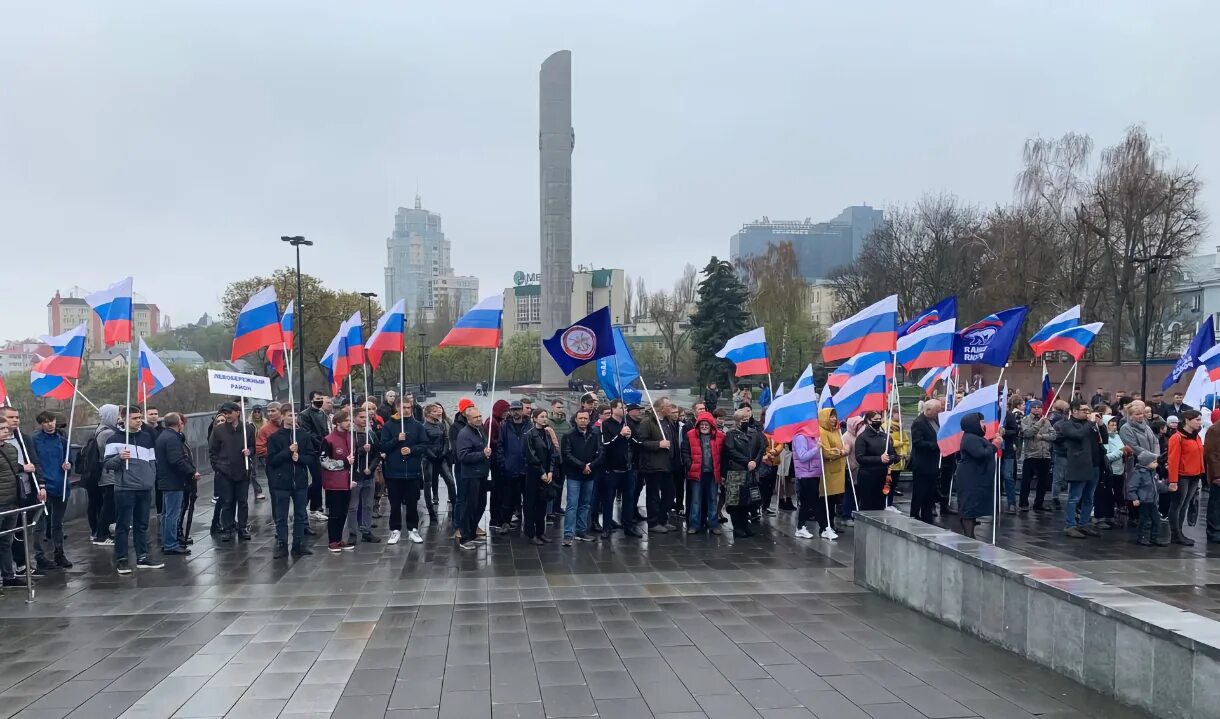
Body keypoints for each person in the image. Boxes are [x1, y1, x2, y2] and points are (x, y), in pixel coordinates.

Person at [103, 407, 164, 574]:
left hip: (144, 487)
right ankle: (121, 559)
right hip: (125, 488)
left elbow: (153, 461)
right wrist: (119, 457)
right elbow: (108, 464)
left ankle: (143, 556)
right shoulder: (114, 439)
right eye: (134, 418)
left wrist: (151, 478)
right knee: (123, 526)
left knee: (142, 525)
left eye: (139, 418)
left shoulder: (146, 437)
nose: (139, 421)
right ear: (124, 419)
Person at [266, 407, 317, 557]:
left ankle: (298, 544)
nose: (293, 417)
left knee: (300, 514)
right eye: (290, 415)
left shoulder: (303, 436)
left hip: (300, 482)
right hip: (282, 483)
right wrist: (288, 451)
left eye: (295, 415)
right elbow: (273, 460)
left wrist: (299, 458)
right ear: (282, 416)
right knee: (281, 515)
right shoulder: (274, 438)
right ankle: (282, 544)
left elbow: (311, 458)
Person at [380, 398, 427, 545]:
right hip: (394, 472)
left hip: (412, 471)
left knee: (412, 502)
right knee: (395, 503)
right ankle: (395, 530)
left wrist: (412, 450)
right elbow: (383, 446)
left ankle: (413, 529)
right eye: (404, 407)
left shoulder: (418, 426)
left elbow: (425, 445)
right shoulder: (388, 426)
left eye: (409, 407)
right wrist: (396, 439)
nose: (407, 410)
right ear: (397, 408)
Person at [1121, 402, 1167, 546]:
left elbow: (1155, 441)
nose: (1141, 416)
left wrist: (1156, 457)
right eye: (1137, 414)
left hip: (1151, 462)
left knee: (1151, 484)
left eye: (1142, 413)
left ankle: (1153, 534)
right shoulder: (1126, 428)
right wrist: (1150, 457)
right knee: (1138, 484)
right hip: (1137, 462)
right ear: (1130, 415)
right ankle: (1136, 517)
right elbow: (1133, 446)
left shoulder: (1146, 426)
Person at [1057, 402, 1105, 539]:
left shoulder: (1090, 425)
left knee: (1089, 497)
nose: (1087, 412)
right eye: (1084, 410)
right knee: (1074, 497)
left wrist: (1101, 426)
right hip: (1079, 466)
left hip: (1094, 465)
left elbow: (1104, 439)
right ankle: (1070, 525)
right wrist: (1090, 423)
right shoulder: (1067, 425)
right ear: (1074, 411)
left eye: (1088, 410)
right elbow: (1078, 435)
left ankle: (1084, 523)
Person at [208, 401, 255, 542]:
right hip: (225, 472)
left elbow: (253, 447)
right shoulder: (218, 430)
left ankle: (242, 527)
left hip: (243, 470)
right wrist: (218, 467)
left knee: (242, 501)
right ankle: (228, 528)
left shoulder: (248, 429)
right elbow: (212, 451)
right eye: (225, 413)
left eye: (229, 413)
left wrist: (250, 452)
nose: (227, 416)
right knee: (227, 502)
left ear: (238, 413)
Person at [32, 411, 72, 568]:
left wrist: (68, 465)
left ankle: (59, 553)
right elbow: (35, 462)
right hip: (44, 486)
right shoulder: (35, 440)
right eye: (46, 422)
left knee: (58, 523)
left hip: (61, 485)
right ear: (41, 424)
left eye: (52, 421)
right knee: (40, 524)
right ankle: (40, 556)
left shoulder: (62, 440)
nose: (50, 424)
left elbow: (69, 460)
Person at [154, 412, 197, 556]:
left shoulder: (163, 436)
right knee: (172, 514)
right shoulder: (172, 438)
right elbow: (176, 460)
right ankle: (170, 544)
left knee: (166, 514)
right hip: (173, 481)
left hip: (166, 480)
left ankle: (167, 541)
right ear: (178, 423)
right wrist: (192, 472)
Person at [599, 400, 643, 539]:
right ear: (613, 409)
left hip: (628, 468)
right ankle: (606, 527)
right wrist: (620, 435)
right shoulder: (606, 425)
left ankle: (628, 526)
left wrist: (631, 437)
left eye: (624, 407)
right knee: (608, 500)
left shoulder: (628, 424)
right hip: (612, 470)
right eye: (621, 407)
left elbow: (638, 443)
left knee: (629, 500)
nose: (624, 409)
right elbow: (606, 445)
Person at [955, 412, 1000, 539]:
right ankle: (968, 535)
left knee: (973, 504)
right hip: (970, 477)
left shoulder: (975, 437)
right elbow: (981, 453)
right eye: (981, 422)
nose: (984, 425)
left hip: (976, 476)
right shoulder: (970, 438)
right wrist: (994, 446)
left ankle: (971, 529)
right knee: (969, 505)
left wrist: (993, 442)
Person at [561, 408, 602, 545]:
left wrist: (591, 466)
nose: (583, 420)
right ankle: (568, 534)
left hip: (590, 474)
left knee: (585, 504)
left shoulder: (595, 434)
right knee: (572, 504)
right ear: (576, 419)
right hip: (574, 475)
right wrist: (582, 466)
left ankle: (581, 530)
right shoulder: (569, 435)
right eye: (580, 418)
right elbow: (567, 454)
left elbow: (601, 452)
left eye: (585, 418)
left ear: (589, 420)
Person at [638, 398, 677, 534]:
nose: (671, 408)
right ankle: (653, 522)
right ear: (661, 408)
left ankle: (663, 519)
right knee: (653, 494)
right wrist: (658, 444)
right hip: (653, 465)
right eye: (668, 406)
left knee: (670, 492)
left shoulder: (667, 422)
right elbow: (641, 442)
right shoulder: (647, 422)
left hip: (667, 464)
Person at [722, 407, 763, 538]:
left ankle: (745, 525)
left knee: (748, 500)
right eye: (743, 419)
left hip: (750, 472)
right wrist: (747, 462)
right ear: (737, 421)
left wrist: (755, 461)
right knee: (735, 501)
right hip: (736, 471)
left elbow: (761, 448)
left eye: (747, 419)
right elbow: (730, 451)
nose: (745, 421)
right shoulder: (731, 434)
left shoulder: (754, 432)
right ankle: (737, 527)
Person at [1166, 409, 1205, 546]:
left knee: (1185, 505)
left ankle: (1180, 532)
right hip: (1182, 476)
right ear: (1188, 420)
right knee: (1177, 505)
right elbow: (1173, 460)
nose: (1200, 422)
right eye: (1197, 420)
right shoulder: (1177, 438)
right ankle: (1174, 533)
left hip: (1195, 475)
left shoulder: (1196, 436)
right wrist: (1173, 481)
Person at [320, 409, 357, 552]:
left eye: (349, 420)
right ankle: (332, 541)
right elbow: (324, 461)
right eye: (346, 420)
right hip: (334, 483)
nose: (349, 423)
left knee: (343, 512)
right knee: (335, 513)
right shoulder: (328, 440)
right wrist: (344, 463)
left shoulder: (350, 437)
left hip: (347, 482)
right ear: (338, 422)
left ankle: (339, 538)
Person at [681, 411, 723, 535]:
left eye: (707, 424)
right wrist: (690, 465)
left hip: (712, 473)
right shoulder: (689, 435)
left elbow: (723, 454)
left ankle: (713, 525)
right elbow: (685, 452)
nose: (704, 427)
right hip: (696, 473)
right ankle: (694, 525)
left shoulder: (720, 436)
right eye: (702, 424)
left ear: (711, 425)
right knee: (695, 500)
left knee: (712, 500)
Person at [455, 406, 490, 551]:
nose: (480, 419)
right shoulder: (464, 434)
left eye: (480, 416)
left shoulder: (480, 430)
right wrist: (482, 454)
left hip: (481, 474)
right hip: (470, 476)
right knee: (469, 506)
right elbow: (462, 456)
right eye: (476, 417)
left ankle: (472, 532)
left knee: (480, 505)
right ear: (468, 419)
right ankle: (464, 537)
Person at [345, 407, 381, 544]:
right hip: (355, 476)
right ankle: (353, 532)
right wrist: (361, 450)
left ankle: (366, 530)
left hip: (368, 475)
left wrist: (371, 468)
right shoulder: (350, 436)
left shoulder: (371, 435)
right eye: (361, 417)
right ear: (354, 418)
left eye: (366, 417)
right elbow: (347, 456)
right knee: (353, 506)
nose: (364, 420)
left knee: (367, 505)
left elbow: (377, 453)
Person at [522, 409, 558, 545]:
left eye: (546, 416)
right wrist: (542, 471)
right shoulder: (529, 435)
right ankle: (531, 533)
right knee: (531, 504)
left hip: (545, 474)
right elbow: (531, 456)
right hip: (533, 475)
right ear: (534, 418)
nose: (545, 419)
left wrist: (550, 471)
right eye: (542, 417)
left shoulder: (546, 434)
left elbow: (552, 453)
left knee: (542, 504)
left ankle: (541, 532)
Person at [494, 400, 530, 535]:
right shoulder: (504, 426)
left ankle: (528, 523)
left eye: (518, 409)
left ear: (522, 410)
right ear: (510, 411)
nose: (516, 412)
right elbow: (500, 446)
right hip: (510, 468)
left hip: (525, 468)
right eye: (514, 410)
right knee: (507, 497)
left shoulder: (529, 425)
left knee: (527, 498)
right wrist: (503, 463)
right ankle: (505, 522)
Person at [0, 424, 29, 589]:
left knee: (6, 541)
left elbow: (13, 469)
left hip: (13, 501)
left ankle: (8, 576)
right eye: (1, 428)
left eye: (6, 428)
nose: (6, 431)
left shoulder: (11, 449)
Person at [299, 391, 332, 519]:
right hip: (312, 451)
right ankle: (312, 507)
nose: (320, 400)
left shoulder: (322, 413)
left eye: (321, 398)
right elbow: (307, 433)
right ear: (311, 399)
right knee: (317, 479)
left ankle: (312, 506)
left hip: (323, 449)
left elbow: (325, 430)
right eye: (317, 398)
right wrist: (321, 442)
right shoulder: (304, 414)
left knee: (320, 479)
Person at [909, 400, 943, 523]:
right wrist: (935, 445)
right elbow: (918, 442)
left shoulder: (935, 420)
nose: (938, 413)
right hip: (922, 463)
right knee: (919, 491)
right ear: (928, 410)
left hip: (933, 463)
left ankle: (926, 515)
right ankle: (914, 514)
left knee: (930, 492)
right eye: (936, 411)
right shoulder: (919, 422)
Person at [854, 411, 894, 512]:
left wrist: (891, 458)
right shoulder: (862, 438)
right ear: (868, 420)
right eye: (876, 419)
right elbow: (860, 458)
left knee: (880, 504)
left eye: (880, 419)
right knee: (867, 505)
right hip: (868, 476)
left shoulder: (885, 436)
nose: (879, 421)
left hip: (882, 476)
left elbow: (893, 453)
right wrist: (879, 459)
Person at [1019, 401, 1055, 512]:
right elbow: (1027, 433)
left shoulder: (1047, 421)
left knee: (1043, 482)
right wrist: (1039, 423)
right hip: (1031, 455)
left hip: (1045, 455)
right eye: (1034, 407)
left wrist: (1042, 436)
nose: (1036, 409)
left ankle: (1039, 503)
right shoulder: (1026, 420)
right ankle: (1023, 503)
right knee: (1026, 481)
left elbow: (1053, 435)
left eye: (1039, 407)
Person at [422, 403, 454, 524]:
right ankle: (431, 511)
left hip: (441, 457)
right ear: (428, 414)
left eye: (438, 411)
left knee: (450, 481)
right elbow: (424, 444)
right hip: (429, 459)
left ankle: (455, 507)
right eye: (434, 411)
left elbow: (446, 439)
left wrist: (444, 453)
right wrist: (433, 456)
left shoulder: (440, 425)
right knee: (428, 483)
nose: (438, 413)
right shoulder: (424, 427)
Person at [1094, 415, 1125, 530]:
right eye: (1111, 425)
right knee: (1103, 495)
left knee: (1112, 495)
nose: (1114, 427)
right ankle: (1099, 518)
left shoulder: (1117, 436)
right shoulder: (1103, 437)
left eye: (1115, 424)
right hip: (1107, 471)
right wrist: (1121, 453)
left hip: (1118, 470)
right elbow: (1105, 456)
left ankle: (1110, 517)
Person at [1000, 399, 1023, 514]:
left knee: (1008, 476)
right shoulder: (988, 415)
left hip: (1007, 450)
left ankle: (1012, 503)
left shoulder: (1009, 415)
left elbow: (1015, 431)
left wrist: (1005, 432)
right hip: (992, 451)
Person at [1206, 410, 1220, 544]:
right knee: (1216, 504)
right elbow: (1211, 453)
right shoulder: (1215, 430)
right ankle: (1214, 531)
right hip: (1218, 474)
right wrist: (1216, 475)